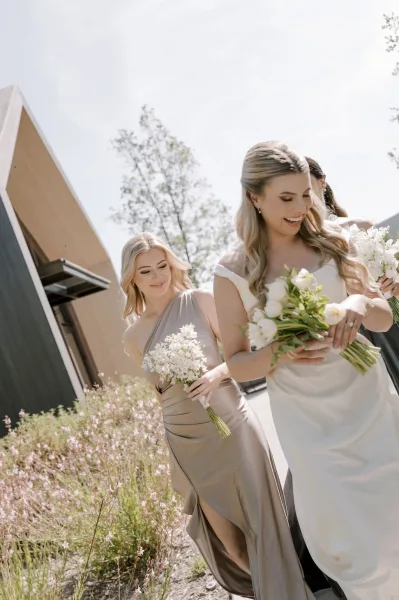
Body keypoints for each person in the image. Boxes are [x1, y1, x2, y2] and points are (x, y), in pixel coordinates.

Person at [214, 141, 399, 600]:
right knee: (355, 542)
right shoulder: (232, 272)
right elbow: (235, 363)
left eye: (304, 195)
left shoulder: (333, 241)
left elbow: (384, 317)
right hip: (309, 425)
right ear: (254, 197)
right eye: (286, 198)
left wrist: (359, 302)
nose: (299, 208)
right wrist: (281, 352)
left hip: (369, 404)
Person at [121, 231, 317, 600]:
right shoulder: (132, 336)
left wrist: (216, 374)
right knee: (231, 544)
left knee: (263, 526)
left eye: (163, 265)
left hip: (232, 425)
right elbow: (159, 394)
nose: (158, 276)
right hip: (186, 440)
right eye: (146, 271)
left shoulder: (199, 301)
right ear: (132, 278)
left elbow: (241, 355)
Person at [307, 155, 399, 394]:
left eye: (306, 183)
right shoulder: (302, 247)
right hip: (352, 334)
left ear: (322, 182)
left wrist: (395, 282)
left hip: (390, 318)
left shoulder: (360, 227)